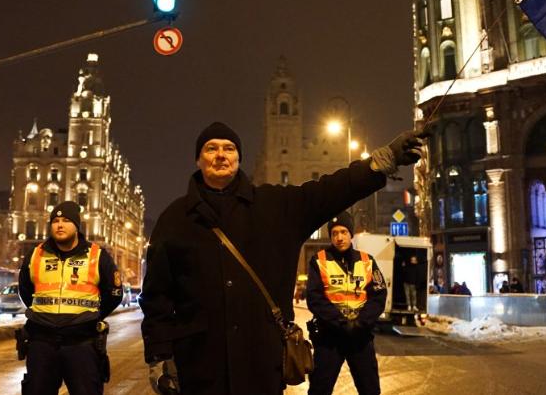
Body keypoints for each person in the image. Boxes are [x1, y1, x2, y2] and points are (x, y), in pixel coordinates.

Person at [140, 122, 425, 395]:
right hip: (200, 369)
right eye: (211, 149)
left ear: (239, 157)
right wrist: (159, 356)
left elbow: (331, 191)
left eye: (228, 148)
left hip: (260, 367)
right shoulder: (175, 220)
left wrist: (382, 161)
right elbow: (157, 297)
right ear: (198, 160)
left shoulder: (274, 206)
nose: (220, 155)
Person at [18, 201, 123, 395]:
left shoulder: (97, 256)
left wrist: (91, 317)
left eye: (66, 220)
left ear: (77, 226)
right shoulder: (35, 255)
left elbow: (114, 294)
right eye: (55, 221)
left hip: (81, 343)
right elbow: (25, 290)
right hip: (42, 341)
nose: (59, 225)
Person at [306, 212, 387, 395]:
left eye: (343, 232)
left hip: (360, 336)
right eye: (334, 233)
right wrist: (342, 323)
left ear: (351, 234)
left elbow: (379, 295)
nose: (339, 237)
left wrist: (360, 323)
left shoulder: (367, 260)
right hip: (329, 337)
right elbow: (314, 298)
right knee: (319, 389)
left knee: (370, 389)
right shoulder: (318, 260)